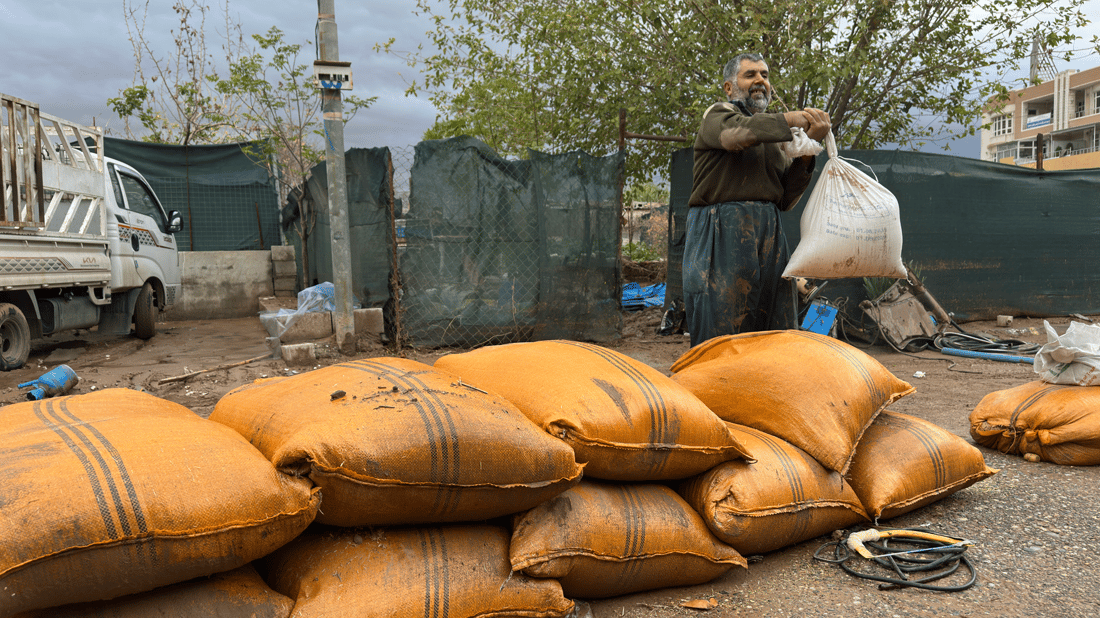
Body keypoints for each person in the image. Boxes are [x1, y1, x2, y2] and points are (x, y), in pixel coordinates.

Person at [683, 52, 830, 347]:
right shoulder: (717, 115)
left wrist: (807, 152)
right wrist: (793, 120)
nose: (760, 80)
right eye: (750, 75)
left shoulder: (774, 138)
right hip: (721, 233)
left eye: (764, 74)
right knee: (722, 324)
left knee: (773, 322)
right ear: (729, 86)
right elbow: (737, 136)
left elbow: (785, 200)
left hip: (769, 233)